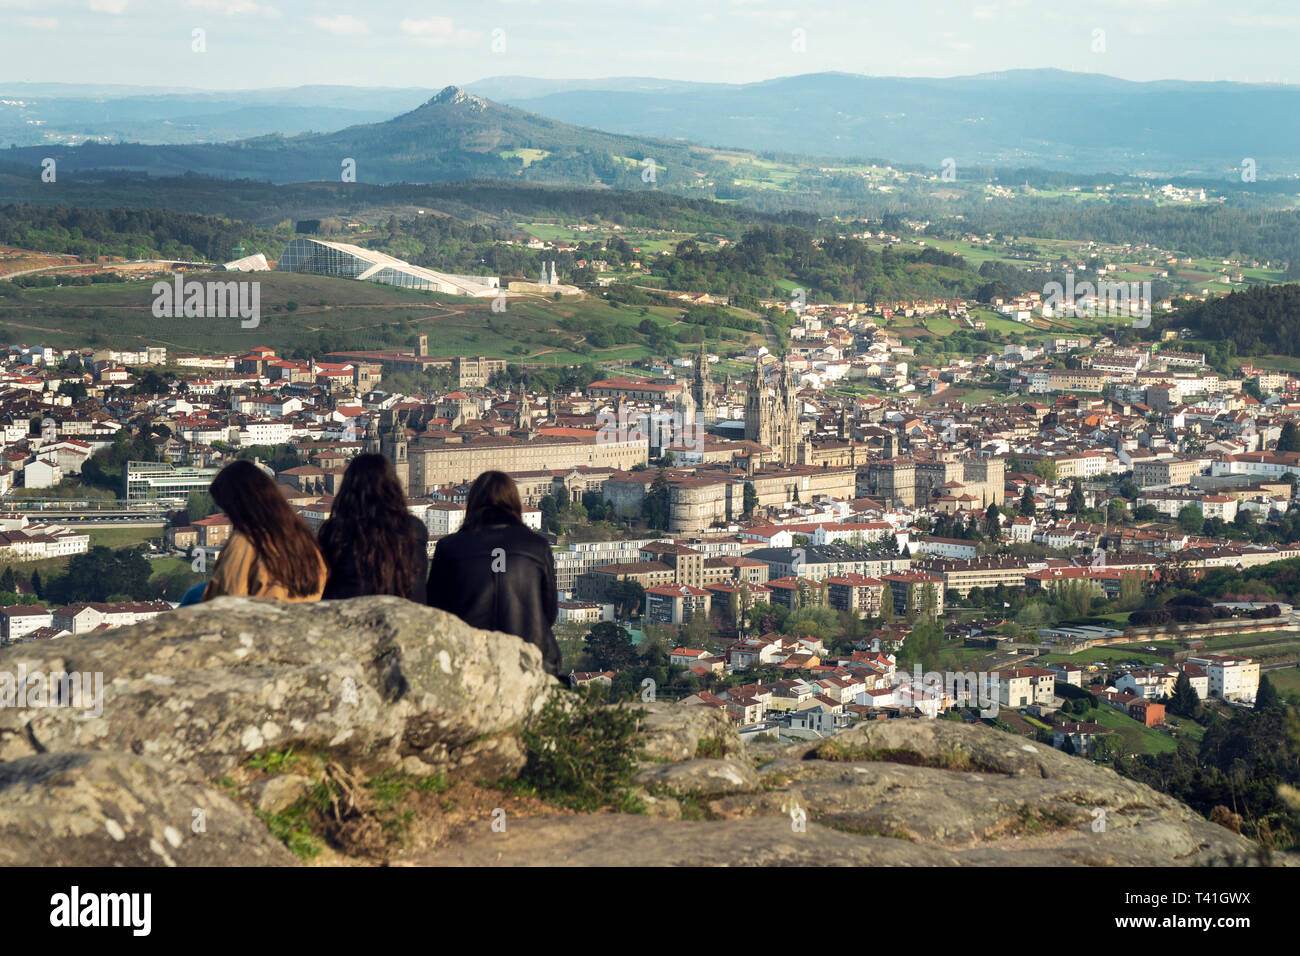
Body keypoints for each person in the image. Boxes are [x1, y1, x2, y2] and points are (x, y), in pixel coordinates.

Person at [426, 470, 560, 677]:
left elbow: (435, 609)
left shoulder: (449, 547)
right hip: (528, 657)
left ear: (472, 503)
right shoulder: (537, 546)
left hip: (467, 658)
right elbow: (549, 611)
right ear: (514, 502)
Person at [201, 459, 327, 602]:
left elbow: (225, 600)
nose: (226, 516)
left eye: (227, 510)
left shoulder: (245, 543)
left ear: (237, 506)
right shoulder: (306, 540)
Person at [318, 453, 428, 600]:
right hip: (408, 615)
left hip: (348, 614)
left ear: (348, 488)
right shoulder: (414, 529)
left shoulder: (334, 531)